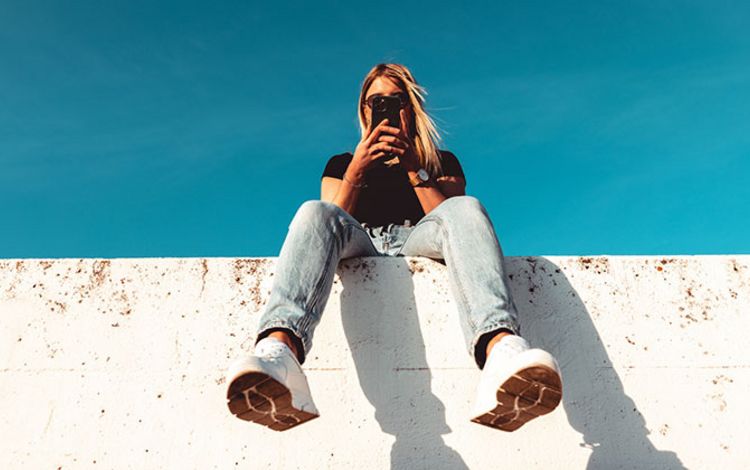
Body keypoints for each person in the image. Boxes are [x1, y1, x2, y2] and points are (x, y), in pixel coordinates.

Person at [225, 63, 562, 432]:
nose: (384, 108)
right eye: (375, 102)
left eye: (394, 100)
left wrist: (415, 169)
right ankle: (280, 351)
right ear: (364, 110)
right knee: (312, 211)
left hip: (416, 238)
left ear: (409, 107)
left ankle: (500, 347)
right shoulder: (341, 163)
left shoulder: (440, 162)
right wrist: (357, 170)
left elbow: (454, 220)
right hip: (361, 240)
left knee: (468, 206)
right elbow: (327, 225)